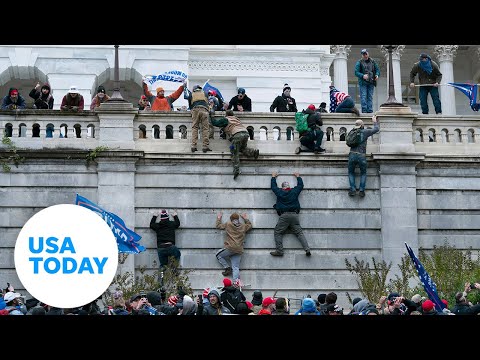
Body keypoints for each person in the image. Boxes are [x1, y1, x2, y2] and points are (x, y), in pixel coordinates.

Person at [270, 171, 311, 257]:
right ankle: (307, 249)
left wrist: (273, 177)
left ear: (282, 188)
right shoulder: (294, 191)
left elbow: (273, 187)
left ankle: (280, 251)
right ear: (289, 187)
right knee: (299, 233)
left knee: (277, 232)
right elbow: (300, 186)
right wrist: (298, 176)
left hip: (284, 216)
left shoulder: (279, 192)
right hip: (294, 215)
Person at [210, 109, 260, 179]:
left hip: (237, 135)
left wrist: (211, 116)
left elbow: (215, 123)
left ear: (226, 115)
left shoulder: (226, 119)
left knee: (233, 151)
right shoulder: (237, 119)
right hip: (245, 134)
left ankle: (236, 170)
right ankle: (254, 152)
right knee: (242, 148)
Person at [347, 114, 379, 197]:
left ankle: (353, 189)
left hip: (352, 154)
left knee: (351, 172)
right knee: (363, 173)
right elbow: (376, 129)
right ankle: (361, 190)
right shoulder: (365, 132)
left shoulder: (351, 132)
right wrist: (374, 121)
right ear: (362, 125)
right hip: (361, 155)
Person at [215, 212, 253, 281]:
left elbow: (218, 226)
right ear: (238, 219)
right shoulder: (243, 226)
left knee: (218, 255)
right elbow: (250, 225)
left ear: (231, 219)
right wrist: (245, 218)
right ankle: (236, 283)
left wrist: (219, 218)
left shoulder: (228, 224)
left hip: (231, 248)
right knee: (235, 267)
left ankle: (227, 268)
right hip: (239, 249)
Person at [184, 83, 211, 153]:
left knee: (195, 127)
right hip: (204, 109)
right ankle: (205, 146)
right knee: (205, 128)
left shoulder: (192, 94)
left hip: (195, 109)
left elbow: (190, 106)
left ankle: (193, 146)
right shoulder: (205, 93)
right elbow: (207, 102)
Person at [354, 49, 380, 114]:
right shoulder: (359, 62)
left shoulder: (373, 62)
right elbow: (356, 72)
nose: (365, 55)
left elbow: (377, 70)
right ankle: (364, 110)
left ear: (368, 54)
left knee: (370, 96)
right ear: (362, 55)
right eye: (363, 54)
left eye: (366, 54)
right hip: (363, 82)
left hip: (371, 82)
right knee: (363, 96)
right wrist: (363, 76)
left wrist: (377, 75)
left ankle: (370, 110)